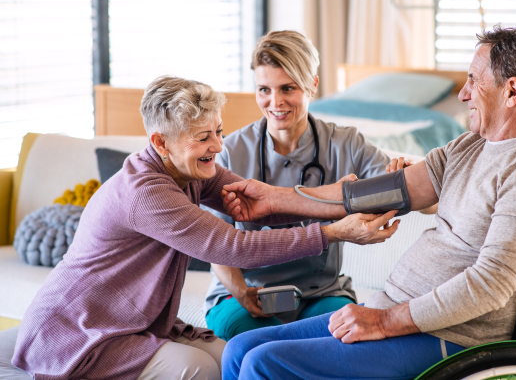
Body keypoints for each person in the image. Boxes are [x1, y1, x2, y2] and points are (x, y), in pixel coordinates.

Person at [219, 26, 516, 379]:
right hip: (396, 310)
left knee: (265, 364)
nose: (463, 93)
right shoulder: (470, 146)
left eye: (473, 80)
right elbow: (368, 195)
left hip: (452, 336)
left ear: (512, 91)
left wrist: (383, 321)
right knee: (240, 350)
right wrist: (271, 198)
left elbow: (488, 284)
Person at [11, 76, 399, 380]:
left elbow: (263, 203)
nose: (217, 144)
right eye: (203, 137)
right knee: (203, 369)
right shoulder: (146, 191)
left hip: (129, 320)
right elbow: (233, 248)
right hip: (83, 327)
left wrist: (339, 201)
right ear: (161, 142)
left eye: (219, 130)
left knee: (236, 353)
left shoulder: (192, 170)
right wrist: (334, 232)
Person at [204, 30, 392, 341]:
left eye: (287, 88)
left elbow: (403, 190)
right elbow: (213, 243)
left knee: (339, 338)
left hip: (321, 292)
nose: (275, 102)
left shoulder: (346, 144)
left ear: (312, 84)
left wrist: (405, 177)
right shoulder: (229, 152)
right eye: (264, 89)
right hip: (244, 291)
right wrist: (242, 293)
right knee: (252, 341)